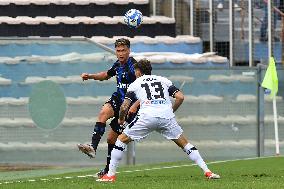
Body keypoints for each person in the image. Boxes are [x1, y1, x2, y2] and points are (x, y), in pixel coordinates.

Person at [97, 59, 220, 182]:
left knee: (120, 140)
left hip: (146, 117)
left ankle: (110, 175)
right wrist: (171, 110)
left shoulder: (136, 83)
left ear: (138, 72)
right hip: (166, 117)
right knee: (185, 144)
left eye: (135, 71)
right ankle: (208, 171)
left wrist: (121, 119)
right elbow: (180, 97)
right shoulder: (163, 80)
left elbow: (124, 106)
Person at [77, 38, 139, 178]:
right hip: (118, 99)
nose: (121, 53)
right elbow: (106, 75)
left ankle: (107, 170)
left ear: (129, 51)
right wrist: (91, 76)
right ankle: (92, 147)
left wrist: (136, 106)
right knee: (103, 113)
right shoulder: (117, 64)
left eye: (123, 50)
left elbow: (144, 87)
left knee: (111, 139)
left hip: (129, 107)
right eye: (118, 51)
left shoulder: (134, 67)